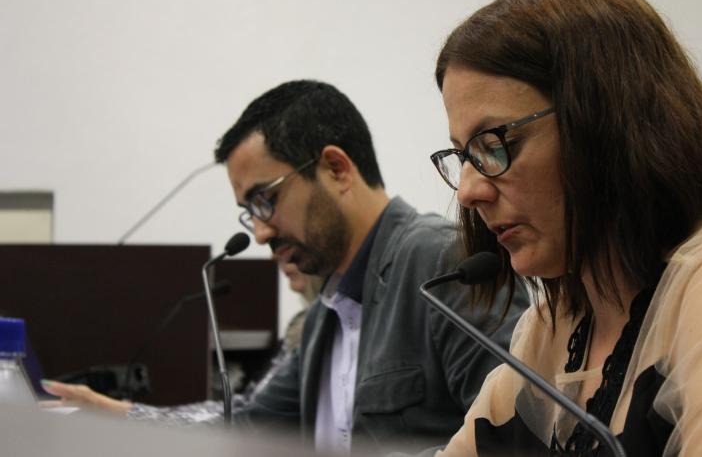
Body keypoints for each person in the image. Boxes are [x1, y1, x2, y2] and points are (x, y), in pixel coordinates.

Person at [429, 0, 702, 456]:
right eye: (463, 155)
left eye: (494, 144)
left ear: (604, 125)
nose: (468, 192)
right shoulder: (552, 327)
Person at [213, 80, 528, 454]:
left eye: (265, 200)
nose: (260, 232)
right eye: (249, 213)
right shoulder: (321, 319)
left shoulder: (444, 262)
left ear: (336, 169)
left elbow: (512, 437)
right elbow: (246, 429)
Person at [42, 264, 325, 426]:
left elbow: (245, 419)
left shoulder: (315, 331)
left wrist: (119, 412)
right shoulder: (304, 326)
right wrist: (119, 410)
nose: (266, 240)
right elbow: (243, 408)